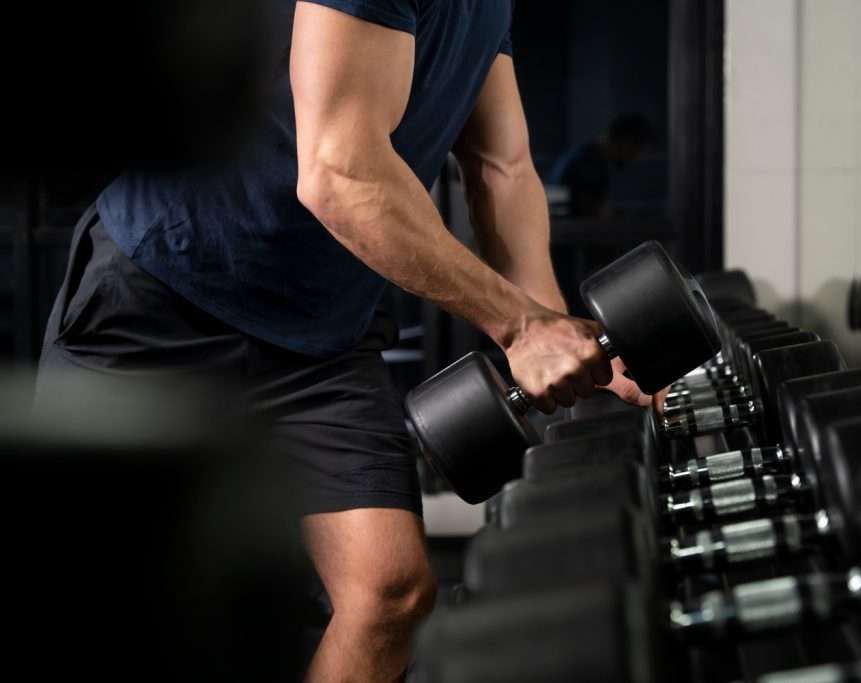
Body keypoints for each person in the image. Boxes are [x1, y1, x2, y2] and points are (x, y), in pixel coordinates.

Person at [35, 2, 651, 681]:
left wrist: (563, 340)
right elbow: (338, 173)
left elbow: (501, 168)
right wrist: (522, 327)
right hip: (168, 290)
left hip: (317, 331)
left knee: (388, 592)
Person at [547, 114, 656, 218]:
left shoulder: (588, 157)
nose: (634, 157)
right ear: (623, 140)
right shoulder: (588, 162)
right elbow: (587, 210)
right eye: (634, 148)